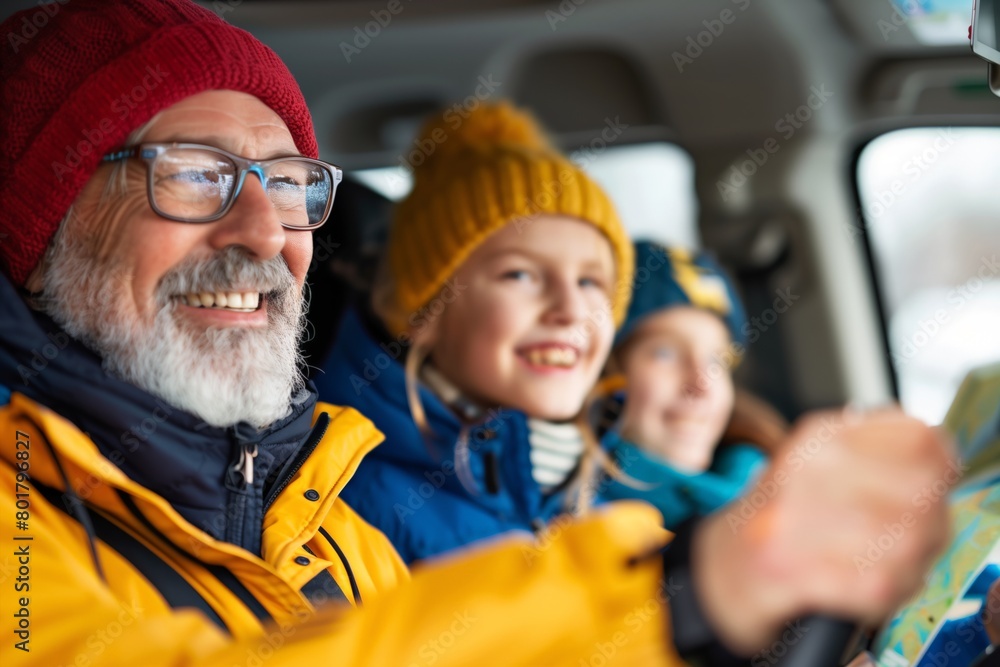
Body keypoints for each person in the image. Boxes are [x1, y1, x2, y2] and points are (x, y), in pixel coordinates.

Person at [0, 1, 957, 665]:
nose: (264, 233)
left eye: (290, 184)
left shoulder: (320, 515)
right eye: (198, 175)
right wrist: (689, 600)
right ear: (40, 217)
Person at [316, 100, 633, 564]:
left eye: (590, 282)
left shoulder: (610, 510)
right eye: (520, 276)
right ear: (425, 311)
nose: (570, 310)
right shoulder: (349, 509)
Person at [599, 241, 780, 529]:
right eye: (665, 353)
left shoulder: (773, 486)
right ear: (604, 370)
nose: (701, 384)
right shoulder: (571, 519)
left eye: (717, 360)